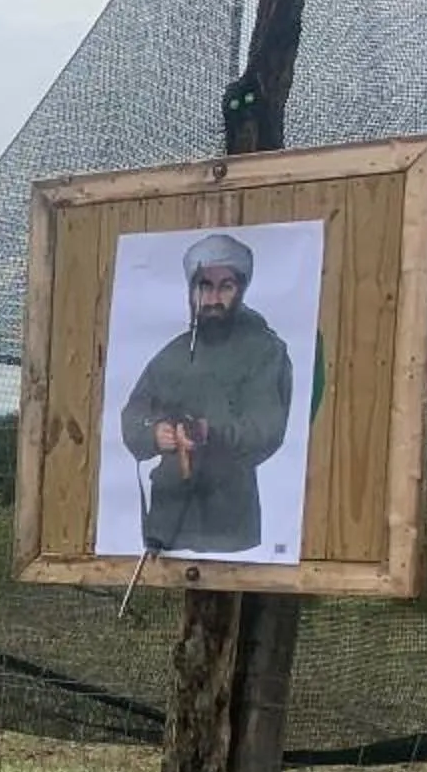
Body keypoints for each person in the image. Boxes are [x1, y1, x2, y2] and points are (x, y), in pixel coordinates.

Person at [117, 232, 296, 556]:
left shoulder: (265, 351)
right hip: (169, 523)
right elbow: (133, 415)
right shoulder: (172, 354)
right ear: (192, 290)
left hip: (229, 522)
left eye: (225, 286)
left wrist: (207, 433)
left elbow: (266, 428)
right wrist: (156, 434)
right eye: (205, 286)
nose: (213, 298)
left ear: (240, 289)